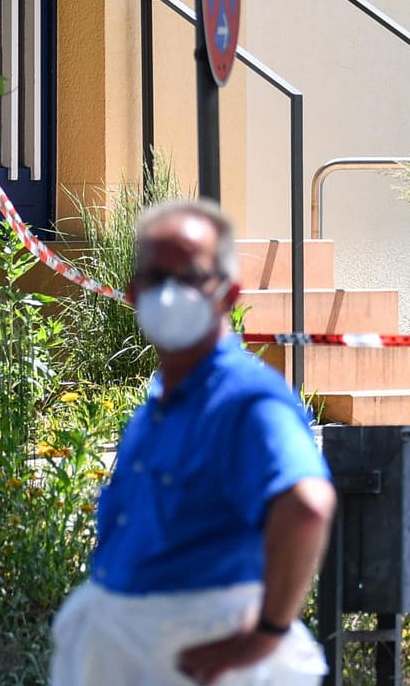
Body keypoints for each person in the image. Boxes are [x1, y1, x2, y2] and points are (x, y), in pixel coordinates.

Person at [50, 200, 335, 686]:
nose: (170, 295)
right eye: (157, 279)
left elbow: (307, 506)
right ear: (134, 293)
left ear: (228, 293)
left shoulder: (247, 400)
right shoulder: (160, 400)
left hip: (196, 652)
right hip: (127, 648)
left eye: (190, 278)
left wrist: (266, 633)